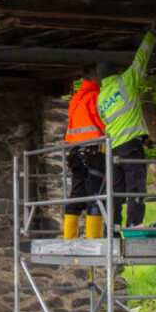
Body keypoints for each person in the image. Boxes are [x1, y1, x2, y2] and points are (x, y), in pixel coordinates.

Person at [98, 30, 156, 229]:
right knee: (136, 188)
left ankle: (112, 230)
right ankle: (134, 225)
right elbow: (142, 57)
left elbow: (115, 120)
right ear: (116, 71)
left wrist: (144, 135)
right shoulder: (126, 81)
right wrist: (151, 35)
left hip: (114, 149)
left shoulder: (101, 99)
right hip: (131, 146)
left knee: (116, 192)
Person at [64, 67, 106, 222]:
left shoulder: (76, 98)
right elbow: (103, 123)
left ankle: (69, 239)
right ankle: (95, 242)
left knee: (76, 196)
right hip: (94, 150)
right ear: (95, 75)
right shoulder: (96, 96)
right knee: (96, 196)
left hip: (75, 151)